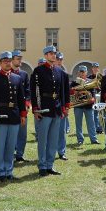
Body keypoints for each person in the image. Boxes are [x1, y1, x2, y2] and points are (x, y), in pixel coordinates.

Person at [30, 46, 70, 176]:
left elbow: (63, 91)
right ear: (46, 56)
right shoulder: (38, 71)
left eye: (55, 54)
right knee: (43, 140)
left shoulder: (60, 72)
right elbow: (34, 92)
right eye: (51, 54)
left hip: (56, 109)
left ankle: (50, 165)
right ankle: (42, 165)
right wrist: (36, 109)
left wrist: (65, 107)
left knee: (53, 139)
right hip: (44, 108)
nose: (54, 56)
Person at [0, 51, 27, 182]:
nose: (7, 63)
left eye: (9, 61)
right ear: (0, 63)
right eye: (4, 61)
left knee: (11, 146)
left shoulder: (17, 78)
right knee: (0, 146)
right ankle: (0, 172)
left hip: (14, 115)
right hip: (0, 116)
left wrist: (23, 114)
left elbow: (21, 98)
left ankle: (9, 171)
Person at [71, 65, 99, 146]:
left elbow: (93, 92)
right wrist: (75, 92)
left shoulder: (90, 81)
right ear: (78, 73)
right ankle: (80, 140)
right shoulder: (74, 82)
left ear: (86, 72)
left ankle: (93, 139)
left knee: (91, 123)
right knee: (78, 124)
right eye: (81, 71)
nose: (82, 73)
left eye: (84, 72)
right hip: (78, 106)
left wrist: (93, 99)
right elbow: (70, 92)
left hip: (88, 106)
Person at [12, 50, 31, 163]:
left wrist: (27, 104)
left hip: (22, 107)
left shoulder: (24, 74)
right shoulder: (7, 72)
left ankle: (20, 154)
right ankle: (12, 153)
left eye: (21, 58)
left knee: (22, 133)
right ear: (12, 59)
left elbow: (27, 91)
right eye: (18, 58)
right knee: (12, 132)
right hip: (11, 108)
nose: (20, 60)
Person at [55, 52, 70, 160]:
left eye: (61, 59)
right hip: (51, 107)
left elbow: (66, 92)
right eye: (58, 59)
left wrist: (66, 106)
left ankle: (61, 151)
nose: (59, 61)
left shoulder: (64, 74)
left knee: (61, 131)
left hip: (61, 106)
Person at [89, 62, 103, 134]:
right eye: (94, 68)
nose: (95, 69)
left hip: (100, 96)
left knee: (101, 113)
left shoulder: (101, 77)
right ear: (92, 69)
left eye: (96, 67)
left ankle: (101, 128)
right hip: (93, 97)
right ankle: (96, 128)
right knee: (94, 113)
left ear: (98, 68)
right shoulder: (89, 77)